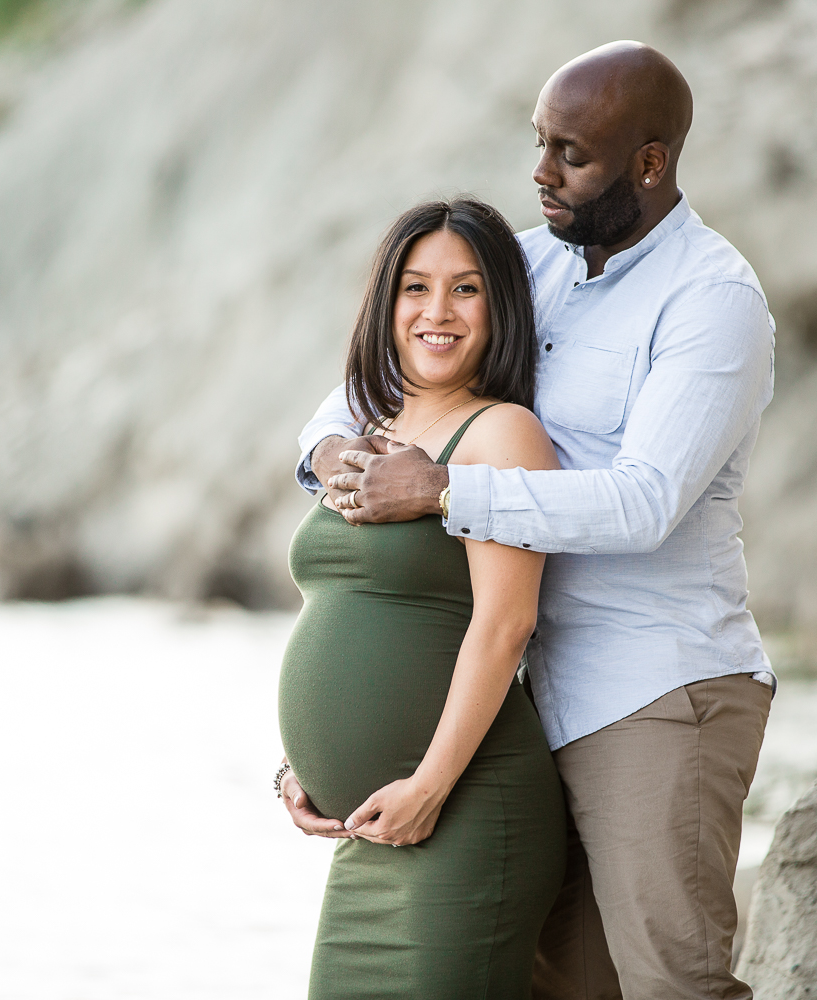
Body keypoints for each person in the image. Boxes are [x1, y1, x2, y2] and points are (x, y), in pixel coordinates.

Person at [286, 42, 776, 1000]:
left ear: (650, 160)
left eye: (571, 154)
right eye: (539, 143)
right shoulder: (533, 260)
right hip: (527, 703)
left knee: (671, 984)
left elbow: (643, 501)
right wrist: (331, 458)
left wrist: (440, 492)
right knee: (564, 988)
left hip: (653, 692)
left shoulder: (712, 302)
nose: (541, 173)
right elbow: (374, 390)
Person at [276, 197, 567, 999]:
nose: (437, 311)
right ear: (385, 302)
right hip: (372, 823)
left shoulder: (501, 435)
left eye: (466, 289)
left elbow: (506, 627)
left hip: (462, 812)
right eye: (415, 287)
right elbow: (357, 615)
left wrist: (429, 788)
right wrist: (305, 763)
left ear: (499, 308)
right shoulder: (364, 429)